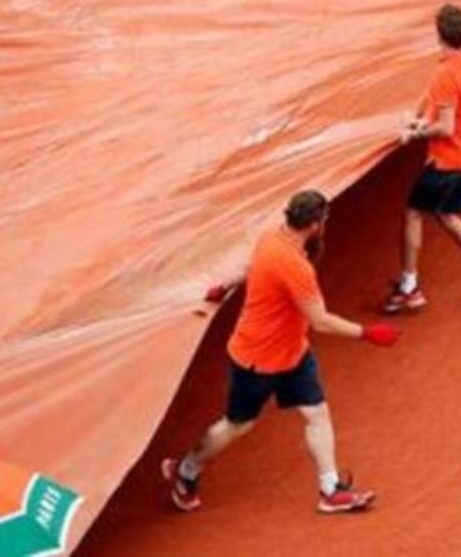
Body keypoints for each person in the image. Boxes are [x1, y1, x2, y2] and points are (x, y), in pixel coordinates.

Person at [163, 190, 400, 515]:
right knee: (237, 424)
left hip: (293, 353)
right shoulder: (296, 268)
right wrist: (368, 333)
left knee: (317, 414)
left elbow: (251, 267)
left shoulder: (271, 238)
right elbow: (320, 320)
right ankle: (186, 470)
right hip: (258, 360)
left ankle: (330, 490)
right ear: (314, 225)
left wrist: (225, 285)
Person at [381, 4, 461, 314]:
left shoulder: (445, 73)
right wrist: (418, 117)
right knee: (448, 217)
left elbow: (446, 126)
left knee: (414, 212)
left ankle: (409, 287)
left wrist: (413, 134)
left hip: (449, 160)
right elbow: (441, 102)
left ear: (439, 34)